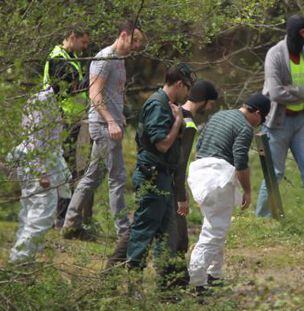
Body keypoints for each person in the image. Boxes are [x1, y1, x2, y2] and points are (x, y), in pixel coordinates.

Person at [105, 80, 218, 273]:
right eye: (211, 104)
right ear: (205, 101)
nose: (210, 109)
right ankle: (166, 280)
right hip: (166, 181)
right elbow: (180, 163)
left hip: (155, 176)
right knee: (165, 234)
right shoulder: (188, 123)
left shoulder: (171, 110)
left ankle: (120, 270)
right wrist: (181, 196)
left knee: (149, 228)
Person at [61, 21, 144, 240]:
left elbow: (114, 92)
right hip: (103, 126)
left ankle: (70, 224)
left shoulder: (120, 60)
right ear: (123, 35)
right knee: (117, 176)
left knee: (92, 176)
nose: (137, 45)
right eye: (134, 40)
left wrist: (120, 115)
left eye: (139, 42)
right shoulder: (104, 58)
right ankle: (124, 232)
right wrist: (111, 121)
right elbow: (94, 94)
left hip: (112, 124)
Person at [255, 14, 304, 236]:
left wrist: (294, 90)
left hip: (301, 122)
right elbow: (274, 92)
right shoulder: (275, 54)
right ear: (293, 33)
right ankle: (263, 220)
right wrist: (303, 92)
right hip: (277, 122)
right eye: (303, 33)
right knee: (275, 172)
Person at [187, 93, 270, 292]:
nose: (259, 124)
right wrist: (248, 191)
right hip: (217, 177)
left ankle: (213, 275)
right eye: (261, 120)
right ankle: (197, 282)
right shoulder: (244, 127)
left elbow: (200, 144)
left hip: (199, 172)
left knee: (217, 225)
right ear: (257, 113)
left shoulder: (218, 115)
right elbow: (240, 160)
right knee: (214, 232)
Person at [126, 63, 196, 289]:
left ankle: (168, 285)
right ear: (178, 84)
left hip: (163, 177)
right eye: (187, 88)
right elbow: (163, 144)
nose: (188, 94)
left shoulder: (169, 104)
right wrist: (177, 122)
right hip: (152, 176)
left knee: (166, 233)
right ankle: (133, 284)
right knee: (143, 230)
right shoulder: (158, 105)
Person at [8, 87, 71, 263]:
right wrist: (42, 173)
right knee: (41, 213)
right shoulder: (44, 103)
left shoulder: (44, 100)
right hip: (38, 166)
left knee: (29, 211)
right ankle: (21, 258)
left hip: (35, 162)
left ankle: (25, 255)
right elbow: (37, 138)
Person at [43, 27, 92, 228]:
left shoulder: (69, 56)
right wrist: (92, 78)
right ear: (73, 37)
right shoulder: (58, 58)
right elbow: (71, 88)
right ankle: (59, 217)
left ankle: (63, 216)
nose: (84, 47)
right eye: (83, 43)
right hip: (60, 120)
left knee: (69, 167)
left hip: (71, 119)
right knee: (63, 169)